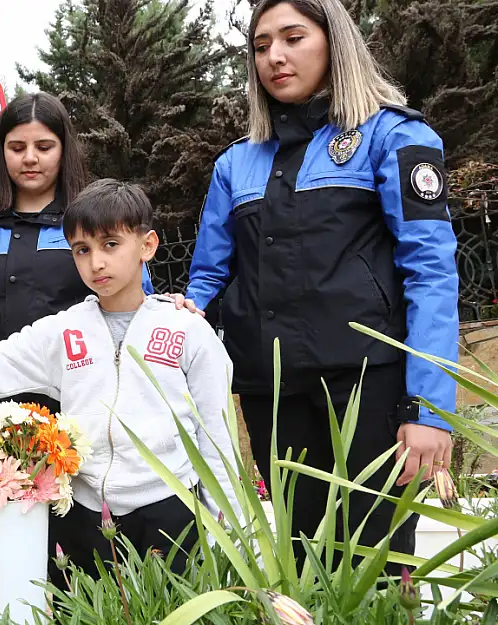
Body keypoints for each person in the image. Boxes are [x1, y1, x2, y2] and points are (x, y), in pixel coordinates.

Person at [171, 0, 458, 569]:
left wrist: (428, 412)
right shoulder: (236, 164)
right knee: (302, 565)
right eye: (260, 45)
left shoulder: (393, 136)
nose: (274, 56)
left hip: (370, 390)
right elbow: (208, 274)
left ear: (334, 42)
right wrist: (185, 311)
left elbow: (431, 273)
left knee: (377, 568)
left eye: (293, 37)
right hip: (273, 394)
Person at [0, 179, 239, 581]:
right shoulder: (66, 331)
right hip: (86, 518)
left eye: (111, 244)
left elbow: (216, 440)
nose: (96, 262)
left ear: (147, 245)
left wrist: (233, 534)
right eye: (82, 250)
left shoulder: (187, 332)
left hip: (170, 511)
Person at [0, 93, 153, 617]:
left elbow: (133, 309)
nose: (30, 158)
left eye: (44, 146)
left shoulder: (87, 237)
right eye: (16, 147)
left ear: (64, 150)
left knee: (77, 551)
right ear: (1, 155)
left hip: (76, 419)